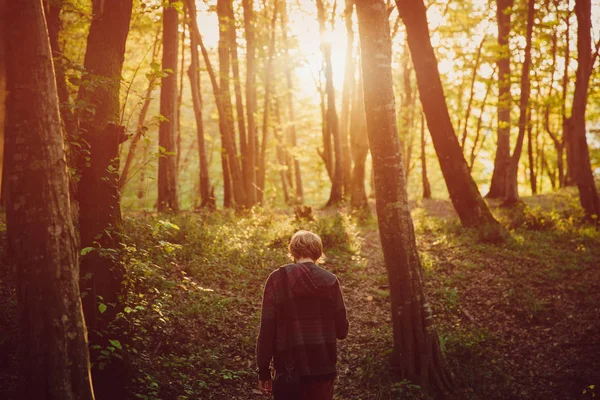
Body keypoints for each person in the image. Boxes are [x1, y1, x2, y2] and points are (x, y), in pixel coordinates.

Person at [256, 230, 349, 400]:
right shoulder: (330, 281)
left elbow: (267, 329)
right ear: (318, 252)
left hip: (288, 370)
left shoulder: (277, 280)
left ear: (293, 251)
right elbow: (342, 332)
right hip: (323, 369)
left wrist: (263, 371)